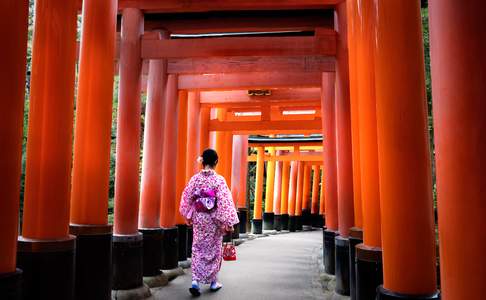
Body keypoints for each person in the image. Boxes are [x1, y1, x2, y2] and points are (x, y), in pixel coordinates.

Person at [179, 148, 239, 297]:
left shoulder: (195, 179)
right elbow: (224, 202)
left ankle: (195, 281)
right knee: (214, 249)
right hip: (213, 220)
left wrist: (187, 215)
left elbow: (187, 197)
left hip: (199, 218)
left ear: (202, 161)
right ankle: (213, 282)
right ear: (216, 162)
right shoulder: (219, 180)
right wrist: (228, 221)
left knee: (198, 247)